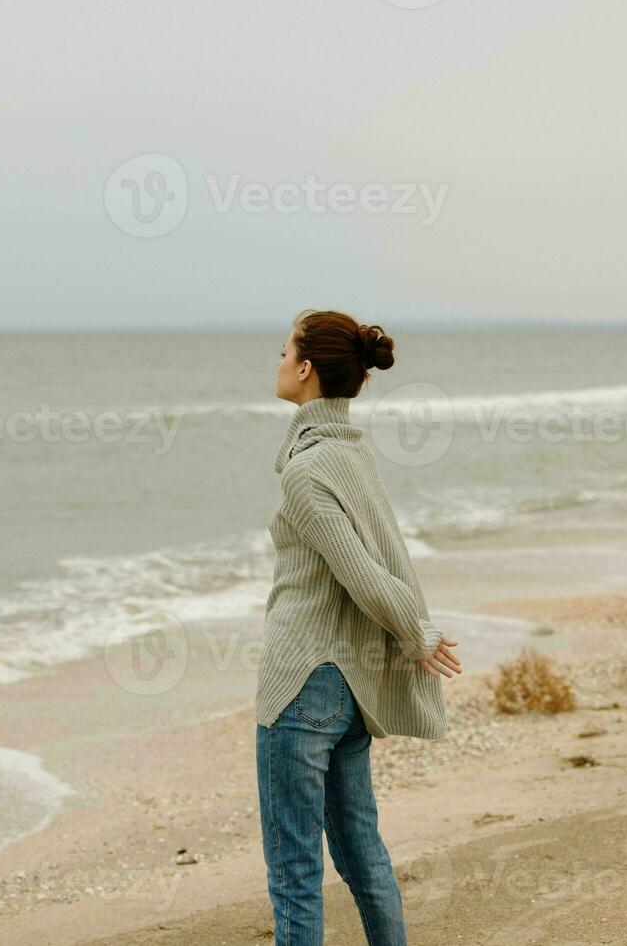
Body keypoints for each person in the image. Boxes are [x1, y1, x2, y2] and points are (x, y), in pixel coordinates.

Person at [257, 308, 463, 946]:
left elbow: (364, 576)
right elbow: (380, 559)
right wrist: (411, 629)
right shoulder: (352, 456)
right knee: (362, 851)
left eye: (284, 349)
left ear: (306, 367)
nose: (277, 360)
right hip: (348, 689)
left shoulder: (307, 471)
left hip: (301, 684)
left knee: (294, 871)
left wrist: (417, 633)